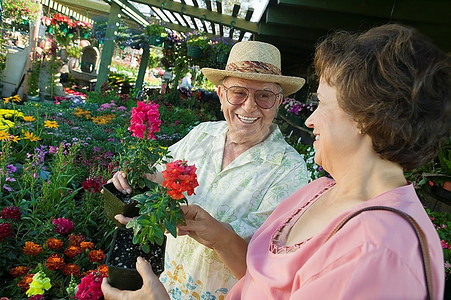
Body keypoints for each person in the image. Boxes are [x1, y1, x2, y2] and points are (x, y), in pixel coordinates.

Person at [102, 24, 450, 299]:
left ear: (367, 117)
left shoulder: (377, 251)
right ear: (222, 93)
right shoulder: (317, 192)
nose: (310, 119)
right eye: (239, 92)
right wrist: (139, 193)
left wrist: (221, 237)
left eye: (323, 103)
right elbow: (260, 280)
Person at [105, 41, 310, 298]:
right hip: (163, 287)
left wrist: (213, 233)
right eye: (238, 92)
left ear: (278, 101)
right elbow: (157, 177)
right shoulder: (202, 134)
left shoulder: (289, 170)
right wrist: (132, 178)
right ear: (221, 93)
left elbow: (268, 268)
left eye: (264, 96)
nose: (249, 106)